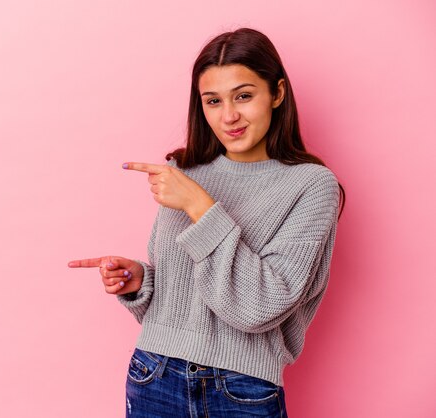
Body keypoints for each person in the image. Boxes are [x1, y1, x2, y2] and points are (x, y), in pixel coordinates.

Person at [68, 27, 346, 418]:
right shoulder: (185, 169)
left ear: (278, 93)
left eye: (244, 96)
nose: (229, 115)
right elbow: (185, 290)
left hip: (242, 389)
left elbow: (260, 306)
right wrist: (142, 282)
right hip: (154, 373)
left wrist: (201, 206)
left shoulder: (313, 186)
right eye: (213, 101)